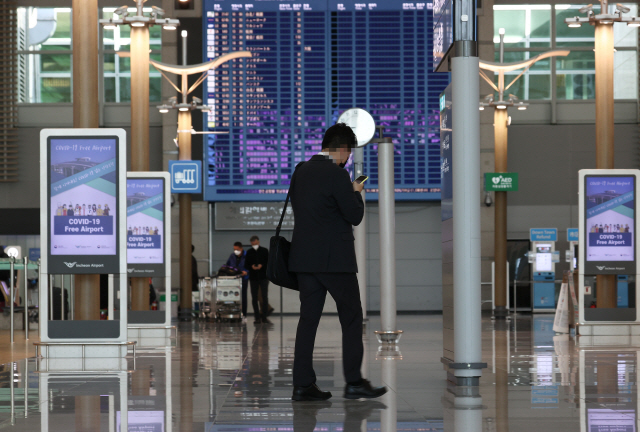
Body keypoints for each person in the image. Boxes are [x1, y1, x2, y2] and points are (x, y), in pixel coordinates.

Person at [288, 123, 386, 402]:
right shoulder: (337, 175)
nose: (348, 158)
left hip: (304, 260)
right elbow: (354, 215)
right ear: (342, 149)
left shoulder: (300, 171)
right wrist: (355, 190)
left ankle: (302, 384)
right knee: (352, 318)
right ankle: (354, 382)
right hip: (336, 261)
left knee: (308, 321)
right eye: (349, 153)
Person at [245, 235, 271, 324]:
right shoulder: (249, 252)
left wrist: (262, 266)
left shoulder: (264, 251)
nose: (254, 245)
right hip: (253, 278)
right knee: (254, 298)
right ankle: (257, 317)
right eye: (252, 243)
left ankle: (264, 316)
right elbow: (246, 265)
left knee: (264, 297)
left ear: (258, 242)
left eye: (255, 243)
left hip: (263, 277)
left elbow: (269, 263)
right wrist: (251, 266)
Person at [226, 241, 249, 321]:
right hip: (234, 280)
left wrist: (246, 272)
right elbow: (228, 266)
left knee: (243, 298)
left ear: (241, 248)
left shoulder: (247, 255)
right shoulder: (232, 256)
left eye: (237, 249)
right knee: (233, 297)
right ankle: (234, 314)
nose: (236, 251)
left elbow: (249, 266)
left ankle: (244, 314)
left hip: (244, 279)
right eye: (234, 249)